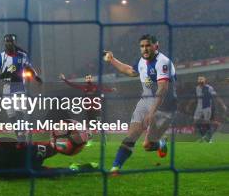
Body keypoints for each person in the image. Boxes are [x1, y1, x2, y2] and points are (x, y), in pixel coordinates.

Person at [104, 34, 175, 174]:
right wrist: (112, 60)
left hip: (164, 105)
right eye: (142, 46)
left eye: (148, 45)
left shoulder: (163, 62)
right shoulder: (142, 61)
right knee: (131, 135)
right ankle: (115, 167)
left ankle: (160, 143)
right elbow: (130, 71)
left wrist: (152, 112)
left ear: (156, 46)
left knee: (147, 146)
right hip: (145, 101)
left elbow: (163, 88)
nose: (145, 49)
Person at [0, 34, 42, 140]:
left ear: (15, 42)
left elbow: (29, 68)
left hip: (18, 85)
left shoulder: (22, 56)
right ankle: (19, 136)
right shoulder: (0, 57)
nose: (9, 43)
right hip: (6, 87)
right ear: (4, 43)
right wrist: (1, 75)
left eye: (11, 41)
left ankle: (21, 135)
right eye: (7, 41)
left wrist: (36, 77)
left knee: (19, 109)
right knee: (10, 113)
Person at [59, 73, 116, 146]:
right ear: (86, 79)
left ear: (91, 79)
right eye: (87, 78)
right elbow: (73, 85)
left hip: (96, 110)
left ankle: (103, 138)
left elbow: (104, 89)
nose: (88, 79)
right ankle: (89, 140)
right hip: (89, 110)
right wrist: (64, 80)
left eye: (89, 77)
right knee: (88, 126)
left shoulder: (96, 87)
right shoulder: (84, 87)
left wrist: (111, 90)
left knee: (99, 125)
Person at [188, 76, 227, 143]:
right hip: (199, 107)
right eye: (199, 81)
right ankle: (204, 136)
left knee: (206, 122)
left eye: (202, 81)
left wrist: (222, 104)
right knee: (195, 121)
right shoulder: (197, 88)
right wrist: (189, 104)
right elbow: (196, 98)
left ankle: (210, 138)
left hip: (207, 107)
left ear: (204, 81)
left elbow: (216, 96)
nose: (200, 82)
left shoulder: (209, 88)